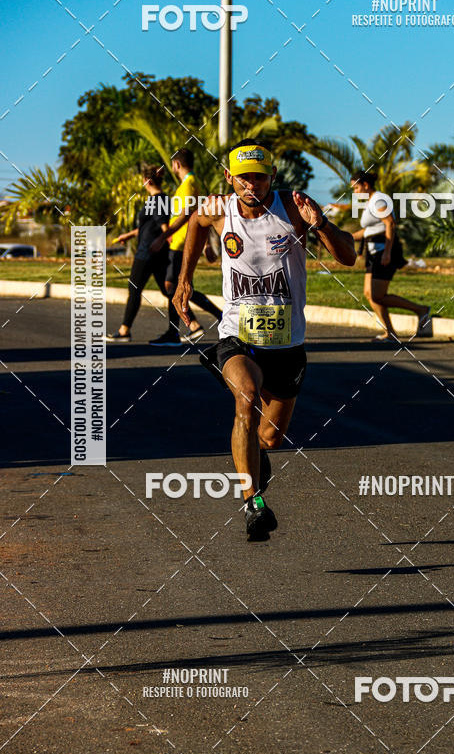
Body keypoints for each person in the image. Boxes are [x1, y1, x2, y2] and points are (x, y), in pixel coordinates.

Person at [173, 139, 356, 539]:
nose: (250, 184)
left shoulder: (293, 207)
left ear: (271, 175)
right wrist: (185, 278)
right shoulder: (218, 209)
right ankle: (252, 502)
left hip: (287, 343)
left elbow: (348, 256)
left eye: (258, 176)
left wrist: (320, 225)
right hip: (237, 334)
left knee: (270, 437)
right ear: (229, 178)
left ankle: (255, 455)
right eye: (243, 178)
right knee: (246, 398)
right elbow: (196, 224)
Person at [149, 147, 222, 346]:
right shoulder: (187, 184)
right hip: (179, 242)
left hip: (182, 243)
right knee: (175, 286)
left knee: (174, 287)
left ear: (176, 164)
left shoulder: (189, 184)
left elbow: (187, 215)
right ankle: (204, 322)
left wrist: (164, 236)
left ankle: (174, 334)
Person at [350, 170, 431, 342]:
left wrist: (387, 252)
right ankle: (390, 333)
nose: (354, 192)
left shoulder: (378, 199)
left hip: (384, 250)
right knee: (369, 294)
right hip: (373, 252)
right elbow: (369, 230)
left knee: (378, 296)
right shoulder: (371, 201)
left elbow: (390, 223)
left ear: (366, 185)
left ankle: (421, 310)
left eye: (356, 188)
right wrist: (345, 237)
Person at [105, 165, 182, 343]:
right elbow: (148, 227)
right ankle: (180, 329)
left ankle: (125, 330)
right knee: (168, 291)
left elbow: (163, 226)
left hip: (147, 253)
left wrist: (164, 238)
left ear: (146, 181)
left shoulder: (157, 200)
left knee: (134, 289)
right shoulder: (162, 199)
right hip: (154, 251)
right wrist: (129, 234)